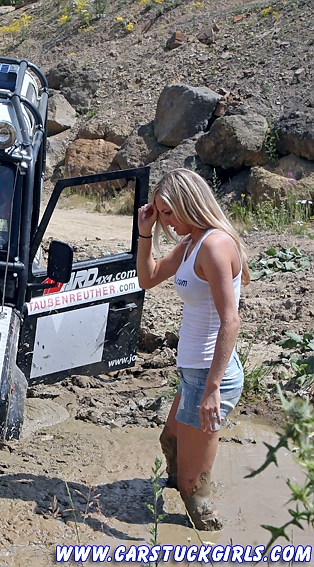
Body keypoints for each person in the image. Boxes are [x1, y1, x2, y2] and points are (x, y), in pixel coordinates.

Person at [136, 168, 249, 531]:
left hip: (209, 377)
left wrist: (213, 389)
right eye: (161, 213)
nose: (167, 221)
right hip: (192, 372)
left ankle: (204, 530)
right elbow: (148, 278)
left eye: (169, 212)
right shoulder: (191, 243)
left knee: (192, 488)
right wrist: (145, 232)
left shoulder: (214, 246)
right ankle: (183, 477)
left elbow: (231, 321)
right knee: (169, 439)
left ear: (190, 203)